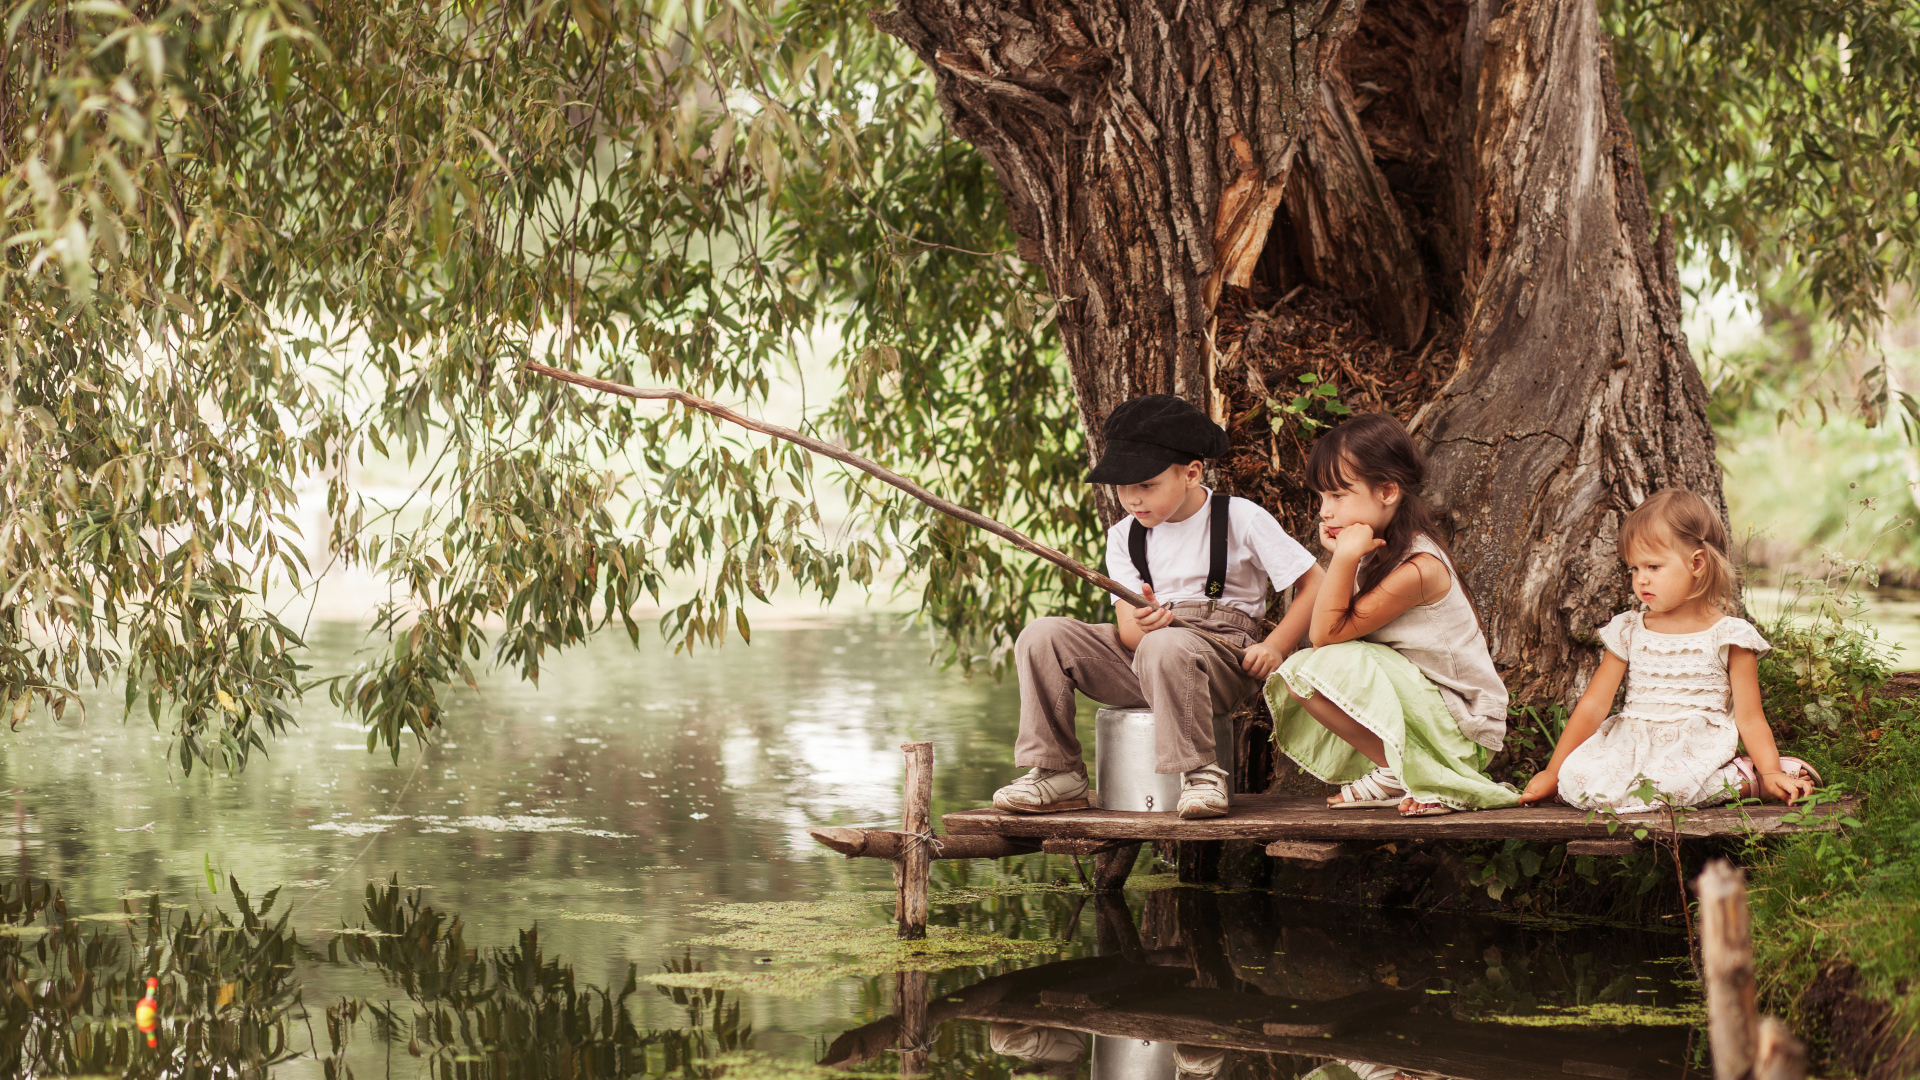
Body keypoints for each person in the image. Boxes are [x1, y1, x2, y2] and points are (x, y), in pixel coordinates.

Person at [992, 394, 1325, 820]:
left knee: (1167, 647)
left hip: (1221, 656)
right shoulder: (1124, 536)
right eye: (1123, 487)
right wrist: (1149, 626)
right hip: (1147, 655)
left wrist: (1277, 645)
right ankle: (1059, 772)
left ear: (1190, 473)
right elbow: (1130, 634)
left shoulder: (1239, 517)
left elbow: (1314, 581)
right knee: (1042, 636)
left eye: (1146, 485)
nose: (1133, 499)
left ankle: (1202, 774)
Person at [1265, 413, 1516, 817]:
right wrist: (1346, 558)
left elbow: (1325, 635)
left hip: (1461, 726)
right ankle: (1394, 769)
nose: (1324, 513)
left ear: (1387, 491)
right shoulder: (1377, 552)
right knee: (1302, 676)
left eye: (1338, 496)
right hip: (1424, 710)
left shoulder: (1418, 568)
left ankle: (1428, 774)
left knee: (1313, 664)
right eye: (1321, 498)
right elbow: (1332, 628)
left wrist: (1344, 556)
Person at [1518, 488, 1820, 811]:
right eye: (1634, 569)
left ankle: (1754, 777)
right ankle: (1730, 780)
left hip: (1692, 750)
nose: (1640, 580)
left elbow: (1750, 718)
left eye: (1653, 567)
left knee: (1669, 788)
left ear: (1697, 563)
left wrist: (1769, 768)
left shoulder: (1728, 636)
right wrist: (1553, 771)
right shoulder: (1629, 630)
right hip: (1632, 745)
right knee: (1575, 780)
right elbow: (1594, 705)